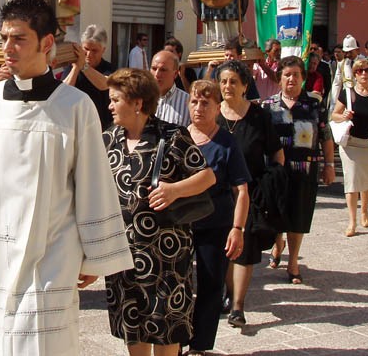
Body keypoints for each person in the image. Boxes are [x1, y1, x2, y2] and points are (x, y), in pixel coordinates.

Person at [0, 0, 133, 354]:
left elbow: (93, 185)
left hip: (52, 254)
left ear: (47, 43)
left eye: (19, 38)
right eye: (5, 37)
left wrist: (92, 255)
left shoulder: (74, 106)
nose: (8, 47)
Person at [102, 68, 215, 356]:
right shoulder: (109, 139)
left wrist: (174, 190)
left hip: (166, 258)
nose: (110, 106)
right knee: (133, 326)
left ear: (137, 103)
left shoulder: (172, 135)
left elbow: (207, 177)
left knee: (166, 329)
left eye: (116, 99)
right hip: (123, 255)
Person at [216, 61, 283, 329]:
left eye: (233, 81)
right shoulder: (212, 114)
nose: (227, 86)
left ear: (245, 85)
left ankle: (237, 306)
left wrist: (275, 179)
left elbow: (276, 151)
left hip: (250, 192)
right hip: (217, 195)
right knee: (224, 250)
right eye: (223, 81)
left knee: (244, 249)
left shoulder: (259, 116)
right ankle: (228, 293)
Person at [184, 80, 250, 356]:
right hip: (181, 225)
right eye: (194, 102)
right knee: (179, 286)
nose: (199, 108)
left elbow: (242, 189)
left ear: (217, 108)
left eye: (205, 103)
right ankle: (174, 342)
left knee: (211, 285)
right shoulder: (179, 137)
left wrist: (238, 228)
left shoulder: (226, 142)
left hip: (216, 223)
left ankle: (199, 346)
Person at [264, 56, 334, 284]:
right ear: (279, 78)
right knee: (275, 215)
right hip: (276, 172)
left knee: (298, 217)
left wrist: (329, 165)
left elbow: (326, 136)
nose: (291, 79)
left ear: (303, 78)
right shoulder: (268, 106)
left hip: (305, 171)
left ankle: (293, 261)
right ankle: (278, 243)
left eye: (296, 74)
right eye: (287, 75)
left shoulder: (314, 104)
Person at [330, 59, 368, 236]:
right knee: (352, 181)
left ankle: (365, 211)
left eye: (367, 71)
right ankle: (352, 221)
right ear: (354, 74)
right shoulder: (347, 94)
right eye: (360, 71)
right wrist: (344, 115)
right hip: (352, 144)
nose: (363, 74)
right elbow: (334, 115)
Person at [62, 24, 115, 129]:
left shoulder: (109, 68)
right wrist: (76, 68)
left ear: (103, 50)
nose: (89, 54)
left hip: (102, 126)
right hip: (76, 124)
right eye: (86, 49)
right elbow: (64, 91)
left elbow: (105, 84)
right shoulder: (73, 67)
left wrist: (84, 66)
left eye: (94, 50)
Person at [205, 37, 260, 101]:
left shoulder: (246, 75)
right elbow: (205, 87)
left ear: (239, 57)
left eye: (231, 56)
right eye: (226, 55)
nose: (228, 58)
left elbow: (253, 100)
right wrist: (209, 71)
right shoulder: (216, 71)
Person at [151, 50, 191, 127]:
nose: (157, 74)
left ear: (175, 74)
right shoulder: (140, 99)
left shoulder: (188, 103)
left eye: (163, 70)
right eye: (154, 68)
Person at [330, 34, 360, 108]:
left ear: (357, 50)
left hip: (360, 97)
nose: (348, 55)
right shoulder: (342, 64)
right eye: (346, 52)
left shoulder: (364, 63)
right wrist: (333, 103)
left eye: (350, 52)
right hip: (346, 99)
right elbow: (336, 84)